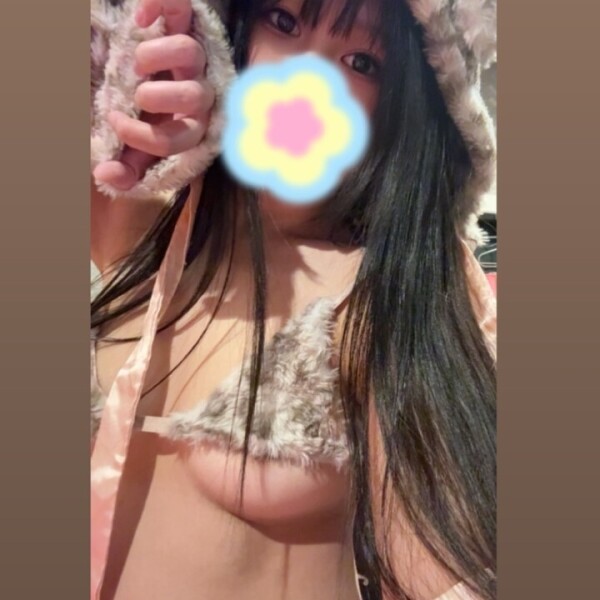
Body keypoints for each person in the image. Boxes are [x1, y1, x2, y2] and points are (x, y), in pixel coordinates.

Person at [90, 1, 497, 599]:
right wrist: (125, 72)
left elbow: (455, 576)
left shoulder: (376, 301)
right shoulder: (144, 230)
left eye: (362, 62)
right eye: (283, 23)